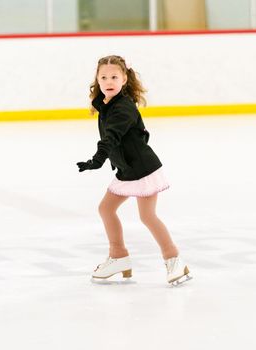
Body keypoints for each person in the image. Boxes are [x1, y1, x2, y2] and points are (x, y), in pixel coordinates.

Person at [76, 55, 191, 286]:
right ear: (97, 80)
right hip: (126, 169)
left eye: (114, 77)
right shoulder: (106, 104)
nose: (109, 81)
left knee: (147, 216)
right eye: (104, 77)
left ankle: (174, 259)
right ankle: (118, 256)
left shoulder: (123, 108)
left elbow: (111, 138)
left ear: (124, 79)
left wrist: (97, 160)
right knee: (106, 209)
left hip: (143, 169)